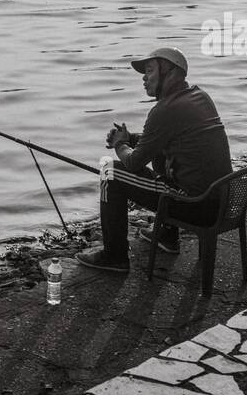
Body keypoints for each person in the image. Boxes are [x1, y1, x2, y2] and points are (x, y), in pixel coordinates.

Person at [76, 46, 232, 273]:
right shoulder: (198, 97)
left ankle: (114, 256)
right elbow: (159, 141)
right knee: (160, 153)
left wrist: (120, 144)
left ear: (169, 72)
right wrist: (129, 137)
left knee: (111, 172)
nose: (143, 77)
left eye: (149, 71)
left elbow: (133, 163)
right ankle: (167, 235)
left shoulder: (165, 110)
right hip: (220, 202)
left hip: (197, 207)